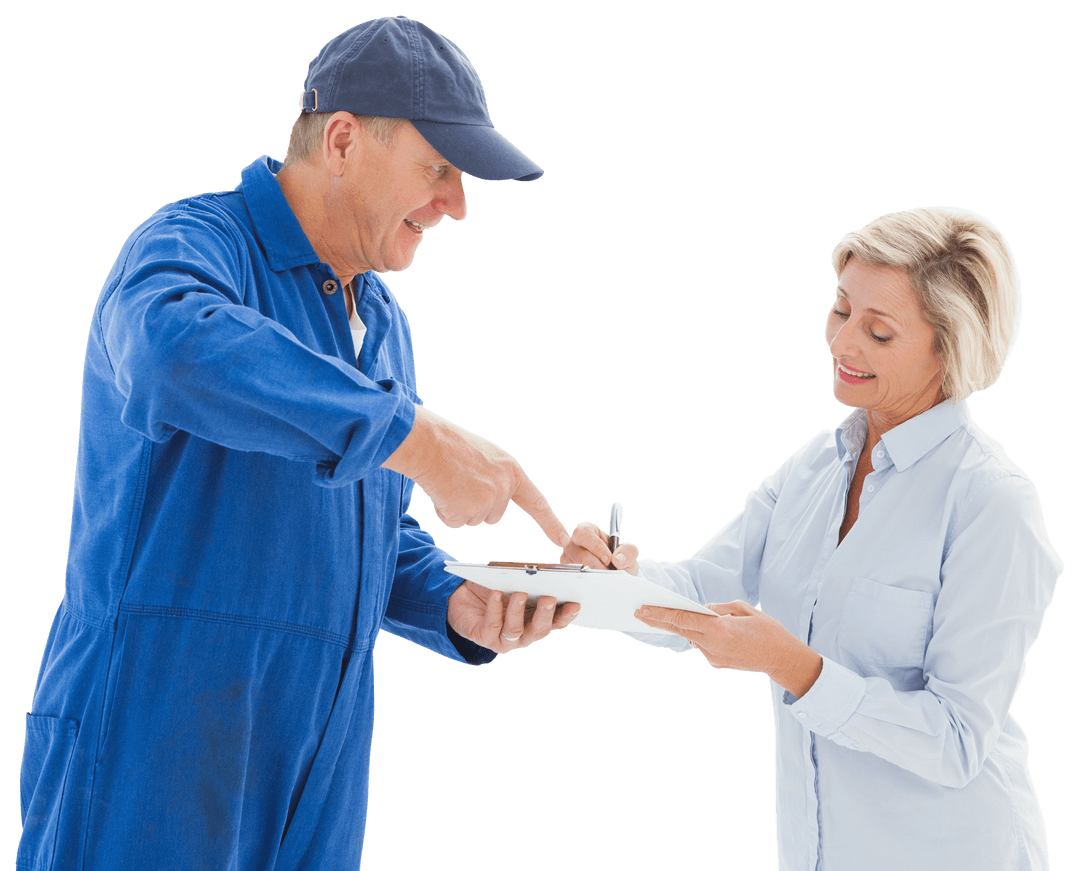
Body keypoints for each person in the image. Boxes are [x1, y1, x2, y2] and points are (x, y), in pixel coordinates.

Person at [16, 16, 579, 871]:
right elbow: (172, 352)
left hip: (317, 771)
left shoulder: (382, 323)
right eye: (438, 170)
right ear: (344, 140)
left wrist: (459, 603)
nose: (458, 206)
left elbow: (365, 533)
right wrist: (413, 435)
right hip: (150, 751)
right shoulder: (189, 248)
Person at [562, 206, 1063, 870]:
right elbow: (695, 595)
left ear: (949, 347)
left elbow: (957, 739)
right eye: (841, 309)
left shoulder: (991, 503)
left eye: (879, 331)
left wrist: (798, 668)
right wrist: (606, 586)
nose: (843, 342)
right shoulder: (813, 469)